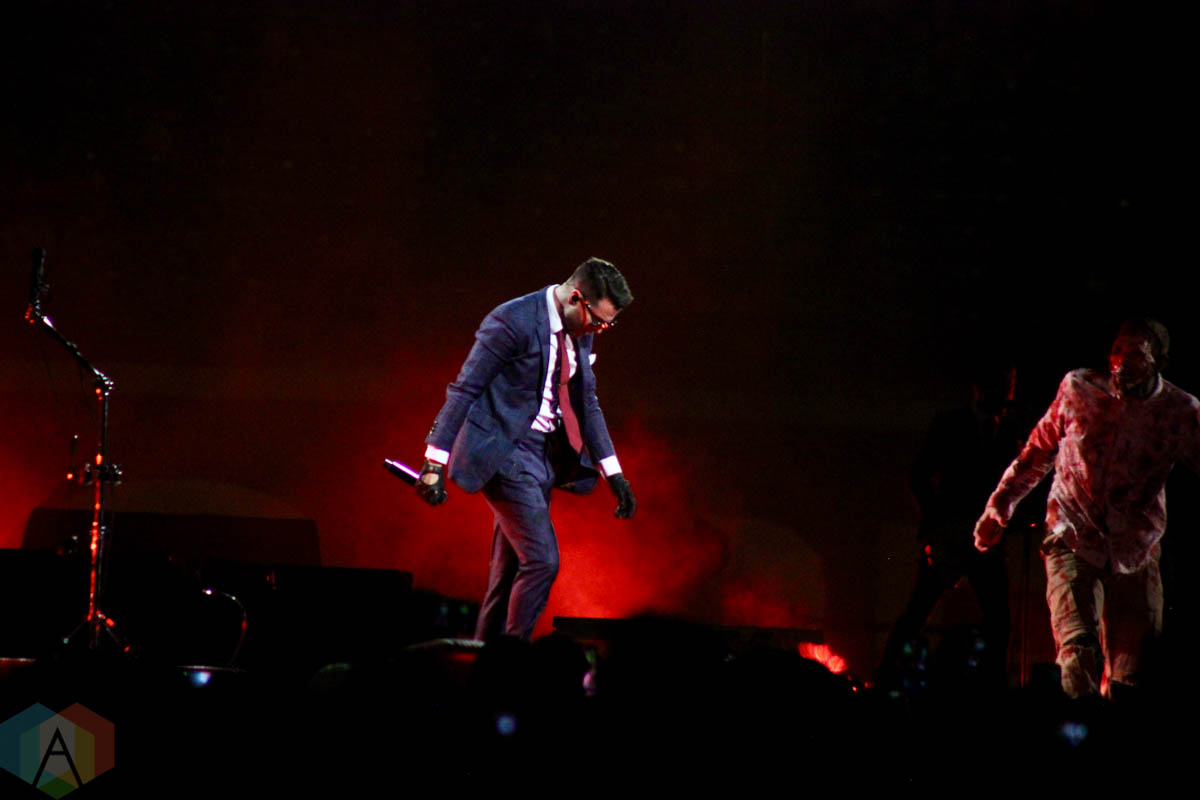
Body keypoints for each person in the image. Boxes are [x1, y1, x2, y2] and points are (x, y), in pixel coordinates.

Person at [973, 318, 1200, 699]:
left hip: (1135, 548)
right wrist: (999, 504)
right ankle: (1078, 724)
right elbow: (1039, 449)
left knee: (1133, 672)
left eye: (1136, 355)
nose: (1121, 363)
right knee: (1078, 651)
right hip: (1072, 533)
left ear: (1158, 362)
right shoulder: (1080, 388)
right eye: (1117, 351)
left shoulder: (1179, 411)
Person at [415, 257, 637, 641]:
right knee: (541, 561)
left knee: (508, 573)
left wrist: (614, 474)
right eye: (598, 322)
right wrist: (434, 462)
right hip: (505, 451)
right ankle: (512, 658)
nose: (599, 331)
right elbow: (465, 389)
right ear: (576, 298)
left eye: (607, 325)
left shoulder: (580, 329)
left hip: (544, 455)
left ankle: (487, 656)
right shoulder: (512, 320)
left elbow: (588, 402)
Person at [877, 362, 1024, 690]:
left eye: (1010, 387)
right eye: (1003, 386)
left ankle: (992, 688)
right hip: (952, 533)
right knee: (921, 610)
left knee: (996, 618)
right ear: (981, 388)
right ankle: (886, 677)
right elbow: (919, 475)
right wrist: (934, 527)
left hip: (983, 537)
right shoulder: (952, 424)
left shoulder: (1007, 428)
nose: (1008, 395)